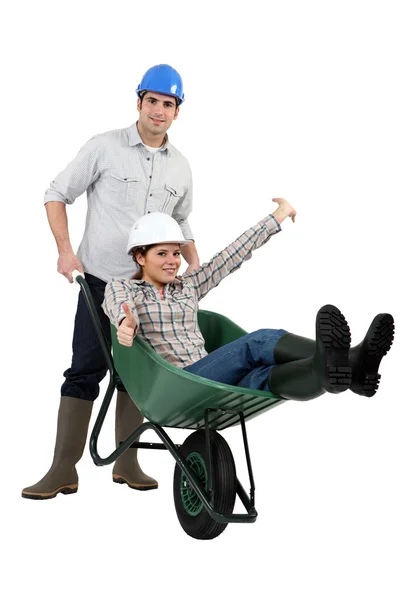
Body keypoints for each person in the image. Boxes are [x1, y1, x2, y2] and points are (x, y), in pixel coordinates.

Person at [22, 64, 200, 500]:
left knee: (136, 377)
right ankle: (63, 467)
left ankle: (127, 459)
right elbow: (55, 193)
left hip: (151, 293)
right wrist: (66, 251)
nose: (159, 111)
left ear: (178, 112)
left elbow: (180, 221)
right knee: (85, 371)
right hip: (100, 285)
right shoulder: (104, 147)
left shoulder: (181, 167)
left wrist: (193, 262)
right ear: (139, 101)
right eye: (153, 101)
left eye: (168, 104)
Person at [102, 199, 394, 402]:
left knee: (266, 377)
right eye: (161, 254)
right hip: (176, 381)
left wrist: (278, 216)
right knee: (259, 341)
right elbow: (116, 305)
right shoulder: (125, 289)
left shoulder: (187, 286)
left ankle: (330, 375)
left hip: (208, 374)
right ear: (140, 257)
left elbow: (232, 255)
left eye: (176, 253)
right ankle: (350, 362)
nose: (172, 262)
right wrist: (127, 323)